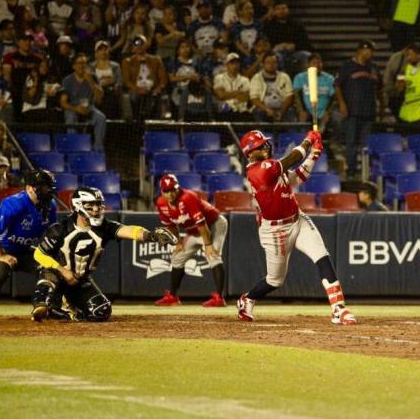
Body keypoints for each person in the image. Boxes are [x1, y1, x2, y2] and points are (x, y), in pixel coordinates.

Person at [236, 129, 357, 325]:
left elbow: (299, 176)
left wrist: (314, 155)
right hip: (275, 231)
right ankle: (248, 298)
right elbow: (292, 159)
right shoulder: (257, 171)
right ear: (250, 152)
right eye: (259, 146)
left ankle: (339, 308)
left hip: (297, 220)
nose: (265, 146)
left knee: (322, 256)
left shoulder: (274, 167)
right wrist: (309, 142)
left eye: (264, 143)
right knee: (275, 280)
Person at [31, 186, 178, 322]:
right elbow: (39, 254)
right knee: (48, 272)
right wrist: (63, 270)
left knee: (101, 312)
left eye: (98, 204)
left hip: (80, 280)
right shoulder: (60, 229)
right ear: (77, 206)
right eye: (90, 205)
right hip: (59, 276)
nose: (96, 209)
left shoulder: (104, 227)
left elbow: (129, 230)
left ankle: (66, 311)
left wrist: (150, 235)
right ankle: (43, 305)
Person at [0, 169, 57, 320]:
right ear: (30, 188)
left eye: (49, 187)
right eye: (43, 188)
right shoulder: (15, 203)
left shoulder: (51, 206)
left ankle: (48, 305)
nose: (48, 191)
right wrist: (1, 255)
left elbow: (51, 232)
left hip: (25, 250)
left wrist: (51, 254)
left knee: (51, 267)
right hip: (5, 248)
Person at [154, 174, 229, 308]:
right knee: (177, 257)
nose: (170, 194)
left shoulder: (188, 197)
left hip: (213, 224)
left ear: (178, 187)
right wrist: (178, 242)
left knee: (213, 255)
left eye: (173, 189)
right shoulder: (161, 203)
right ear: (161, 191)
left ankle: (219, 297)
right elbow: (170, 225)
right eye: (166, 191)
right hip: (193, 231)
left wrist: (208, 245)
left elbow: (202, 224)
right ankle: (173, 297)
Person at [335, 40, 382, 178]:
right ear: (360, 50)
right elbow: (337, 86)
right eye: (368, 50)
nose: (370, 53)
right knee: (351, 143)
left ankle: (365, 172)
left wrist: (382, 106)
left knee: (365, 143)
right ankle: (351, 171)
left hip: (369, 111)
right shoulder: (347, 66)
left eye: (372, 51)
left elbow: (380, 89)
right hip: (352, 111)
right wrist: (342, 104)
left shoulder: (374, 68)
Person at [61, 53, 107, 150]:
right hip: (74, 108)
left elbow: (100, 97)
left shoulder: (93, 77)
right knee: (70, 116)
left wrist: (90, 81)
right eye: (79, 63)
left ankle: (98, 149)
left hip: (89, 108)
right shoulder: (67, 80)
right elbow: (63, 102)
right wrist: (76, 108)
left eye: (84, 63)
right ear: (74, 66)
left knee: (101, 118)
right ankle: (74, 148)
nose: (82, 66)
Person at [121, 34, 168, 121]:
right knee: (133, 96)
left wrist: (158, 88)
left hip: (153, 89)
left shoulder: (156, 60)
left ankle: (152, 123)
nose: (139, 46)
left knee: (156, 97)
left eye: (141, 43)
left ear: (146, 45)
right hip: (136, 89)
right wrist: (138, 89)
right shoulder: (127, 62)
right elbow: (127, 81)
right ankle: (136, 122)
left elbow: (163, 80)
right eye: (136, 43)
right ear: (133, 46)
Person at [293, 53, 335, 133]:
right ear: (308, 65)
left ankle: (334, 143)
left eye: (319, 63)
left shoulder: (329, 78)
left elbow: (334, 98)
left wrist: (328, 112)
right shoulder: (300, 77)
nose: (317, 65)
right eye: (314, 63)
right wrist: (301, 111)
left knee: (336, 118)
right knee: (301, 120)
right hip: (307, 111)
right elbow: (297, 96)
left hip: (323, 111)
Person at [249, 51, 294, 122]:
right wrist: (267, 109)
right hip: (263, 108)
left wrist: (281, 111)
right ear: (263, 64)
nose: (271, 65)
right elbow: (254, 98)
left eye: (274, 62)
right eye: (268, 62)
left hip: (281, 108)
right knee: (258, 113)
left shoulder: (284, 77)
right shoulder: (256, 78)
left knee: (290, 112)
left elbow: (289, 96)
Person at [213, 52, 251, 121]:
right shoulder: (219, 78)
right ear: (227, 65)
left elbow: (246, 97)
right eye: (232, 63)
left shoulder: (245, 80)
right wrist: (238, 92)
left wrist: (227, 94)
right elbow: (221, 95)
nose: (235, 66)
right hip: (225, 112)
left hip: (241, 112)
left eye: (237, 63)